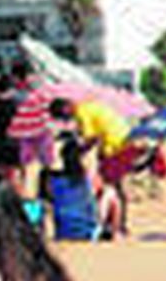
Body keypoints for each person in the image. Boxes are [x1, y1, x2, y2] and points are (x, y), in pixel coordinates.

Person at [49, 98, 135, 238]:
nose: (65, 120)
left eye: (63, 116)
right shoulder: (87, 108)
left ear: (66, 108)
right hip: (121, 141)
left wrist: (78, 151)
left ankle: (112, 227)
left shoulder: (82, 113)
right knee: (114, 187)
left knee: (108, 187)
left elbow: (90, 138)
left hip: (116, 145)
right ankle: (117, 225)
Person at [38, 135, 113, 242]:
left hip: (63, 232)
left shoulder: (54, 180)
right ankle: (117, 231)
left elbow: (47, 199)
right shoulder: (83, 180)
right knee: (110, 193)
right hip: (87, 233)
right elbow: (91, 208)